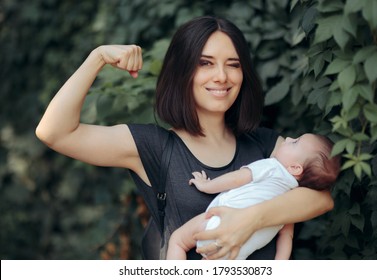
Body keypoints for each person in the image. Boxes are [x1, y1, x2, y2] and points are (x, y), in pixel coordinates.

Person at [35, 15, 334, 260]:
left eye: (233, 64)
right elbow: (54, 132)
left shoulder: (263, 144)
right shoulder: (153, 147)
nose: (222, 76)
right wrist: (97, 57)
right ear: (182, 71)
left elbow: (320, 198)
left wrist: (249, 220)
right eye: (205, 63)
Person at [166, 133, 341, 260]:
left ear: (296, 168)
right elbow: (287, 236)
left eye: (294, 142)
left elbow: (236, 179)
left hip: (216, 223)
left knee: (178, 241)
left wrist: (206, 185)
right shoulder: (292, 199)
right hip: (237, 253)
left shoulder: (272, 167)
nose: (287, 139)